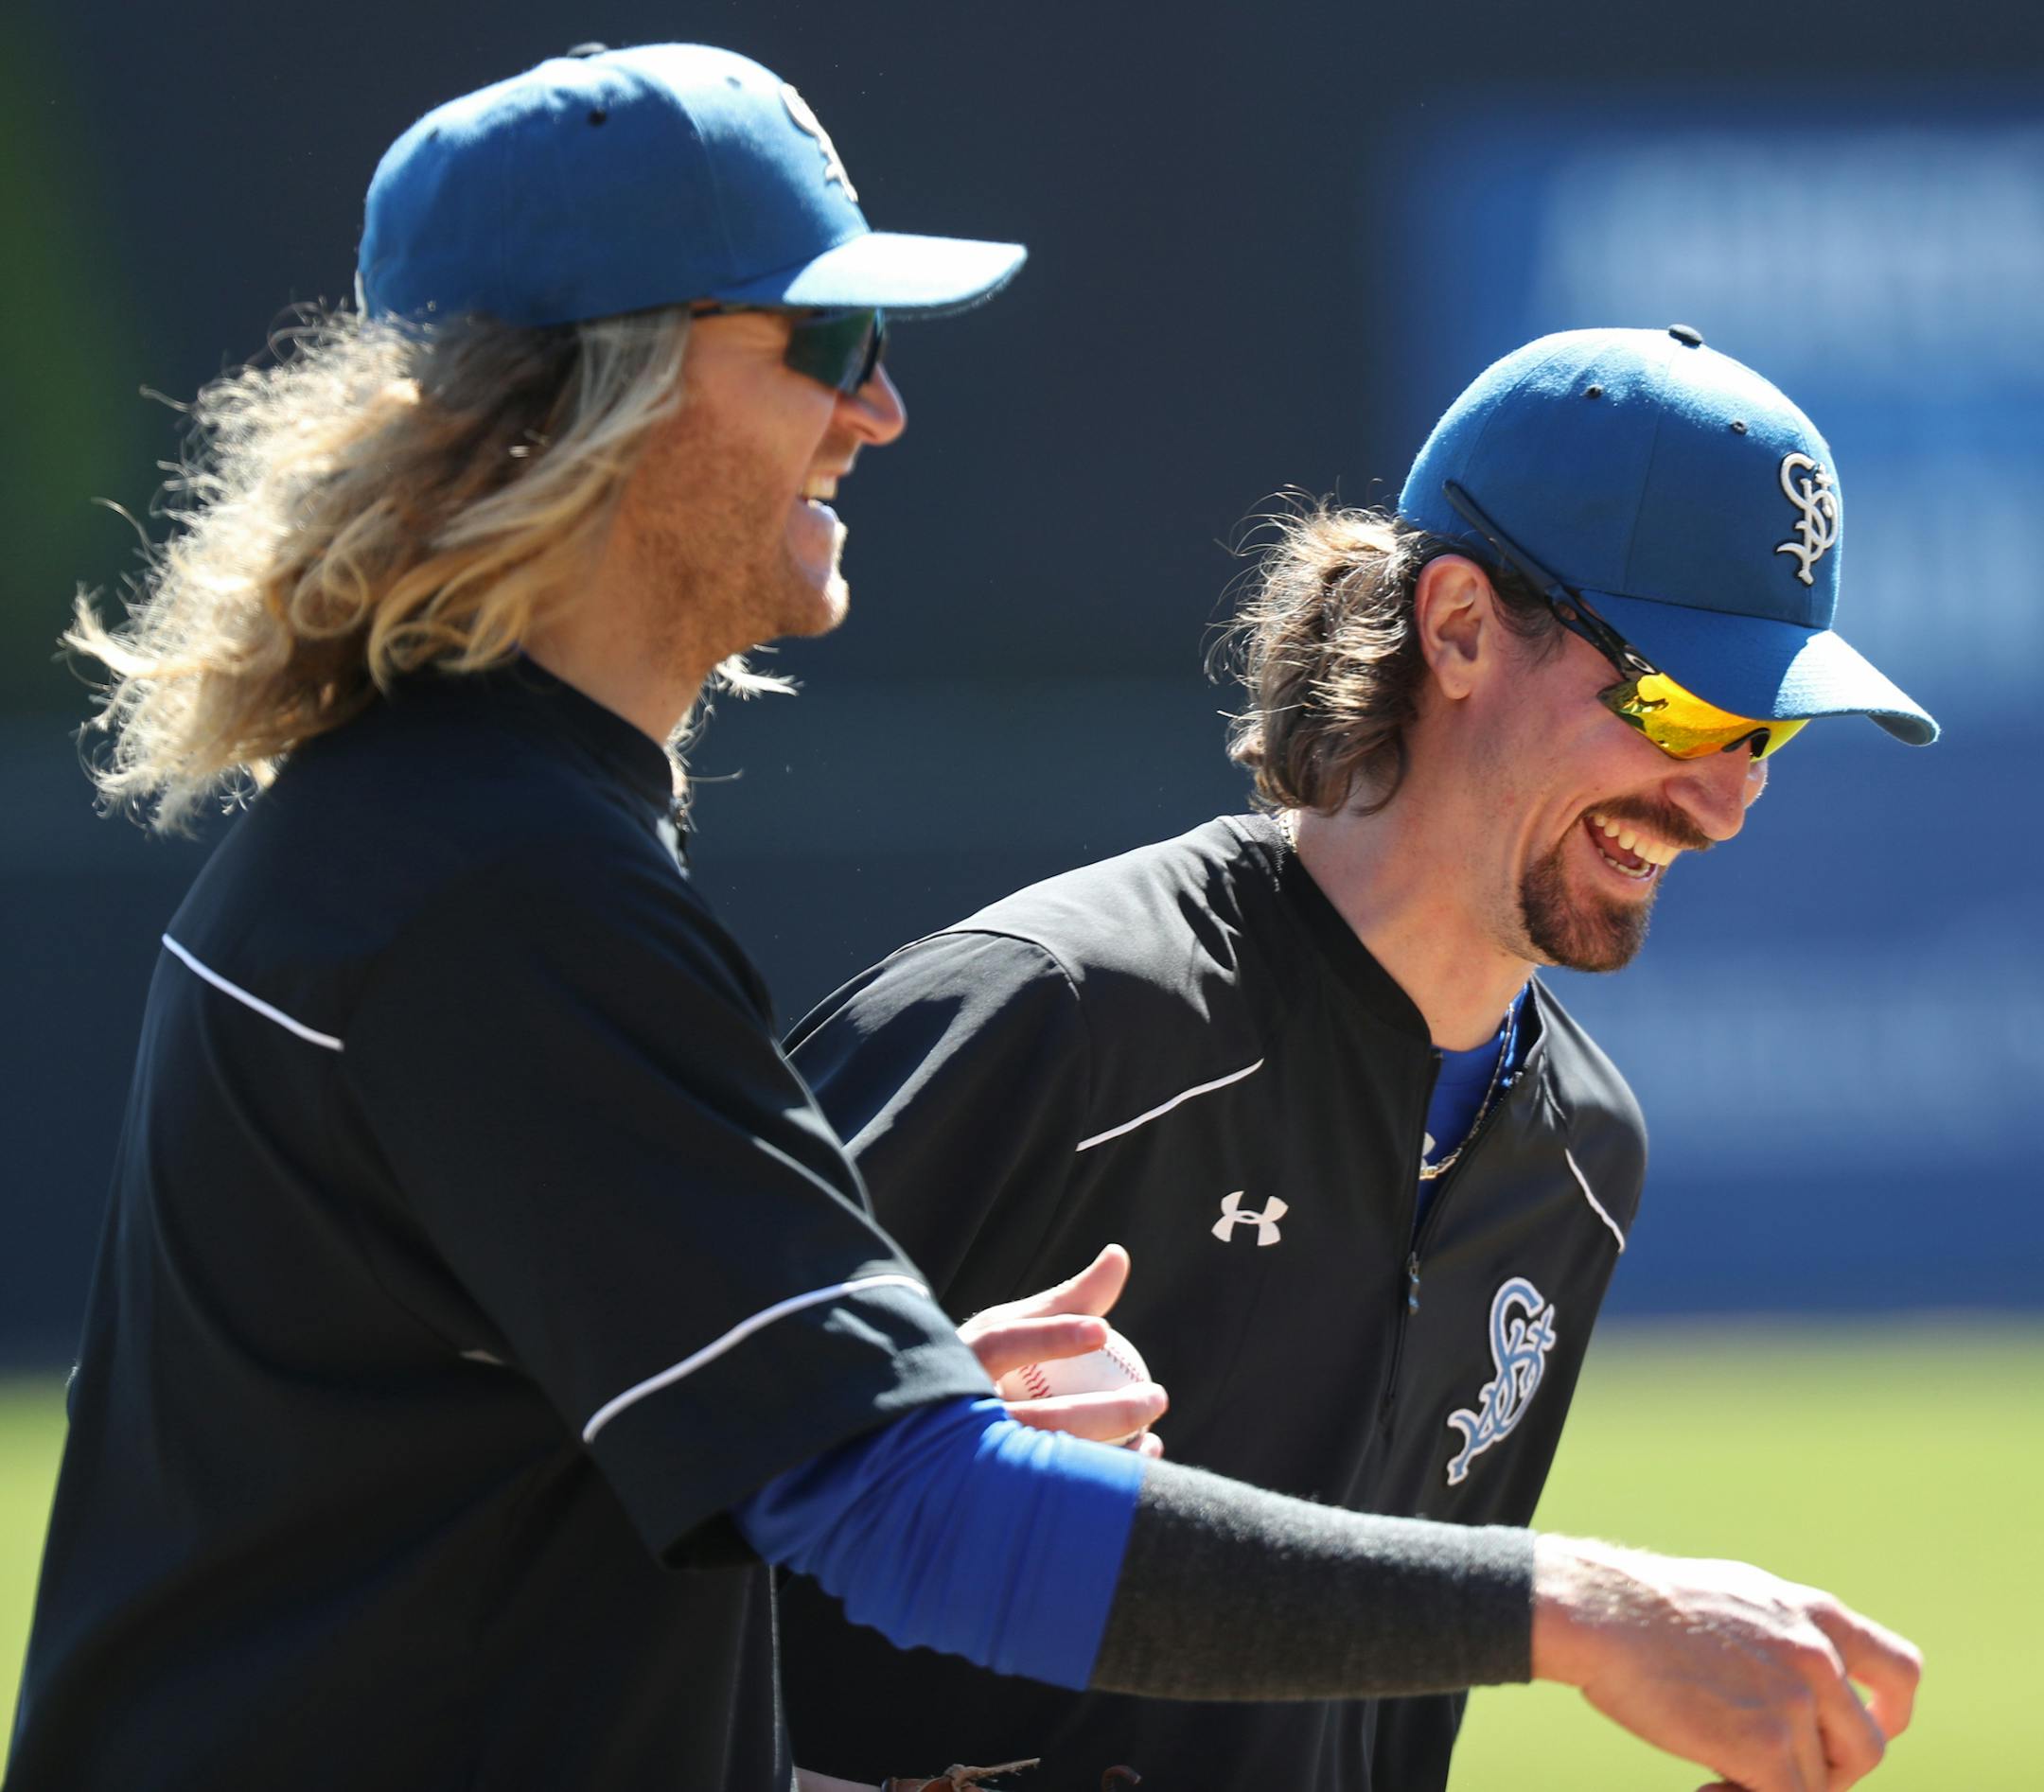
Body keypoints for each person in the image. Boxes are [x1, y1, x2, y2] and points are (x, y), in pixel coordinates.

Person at [6, 40, 1919, 1792]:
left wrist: (896, 1397)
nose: (883, 407)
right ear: (610, 388)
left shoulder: (456, 833)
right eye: (829, 339)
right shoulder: (491, 884)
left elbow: (560, 1483)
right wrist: (1584, 1607)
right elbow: (918, 1521)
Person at [778, 325, 1939, 1791]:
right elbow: (593, 1532)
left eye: (1767, 730)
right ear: (1456, 627)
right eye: (1685, 704)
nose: (1725, 797)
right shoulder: (1050, 1013)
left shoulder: (1582, 1154)